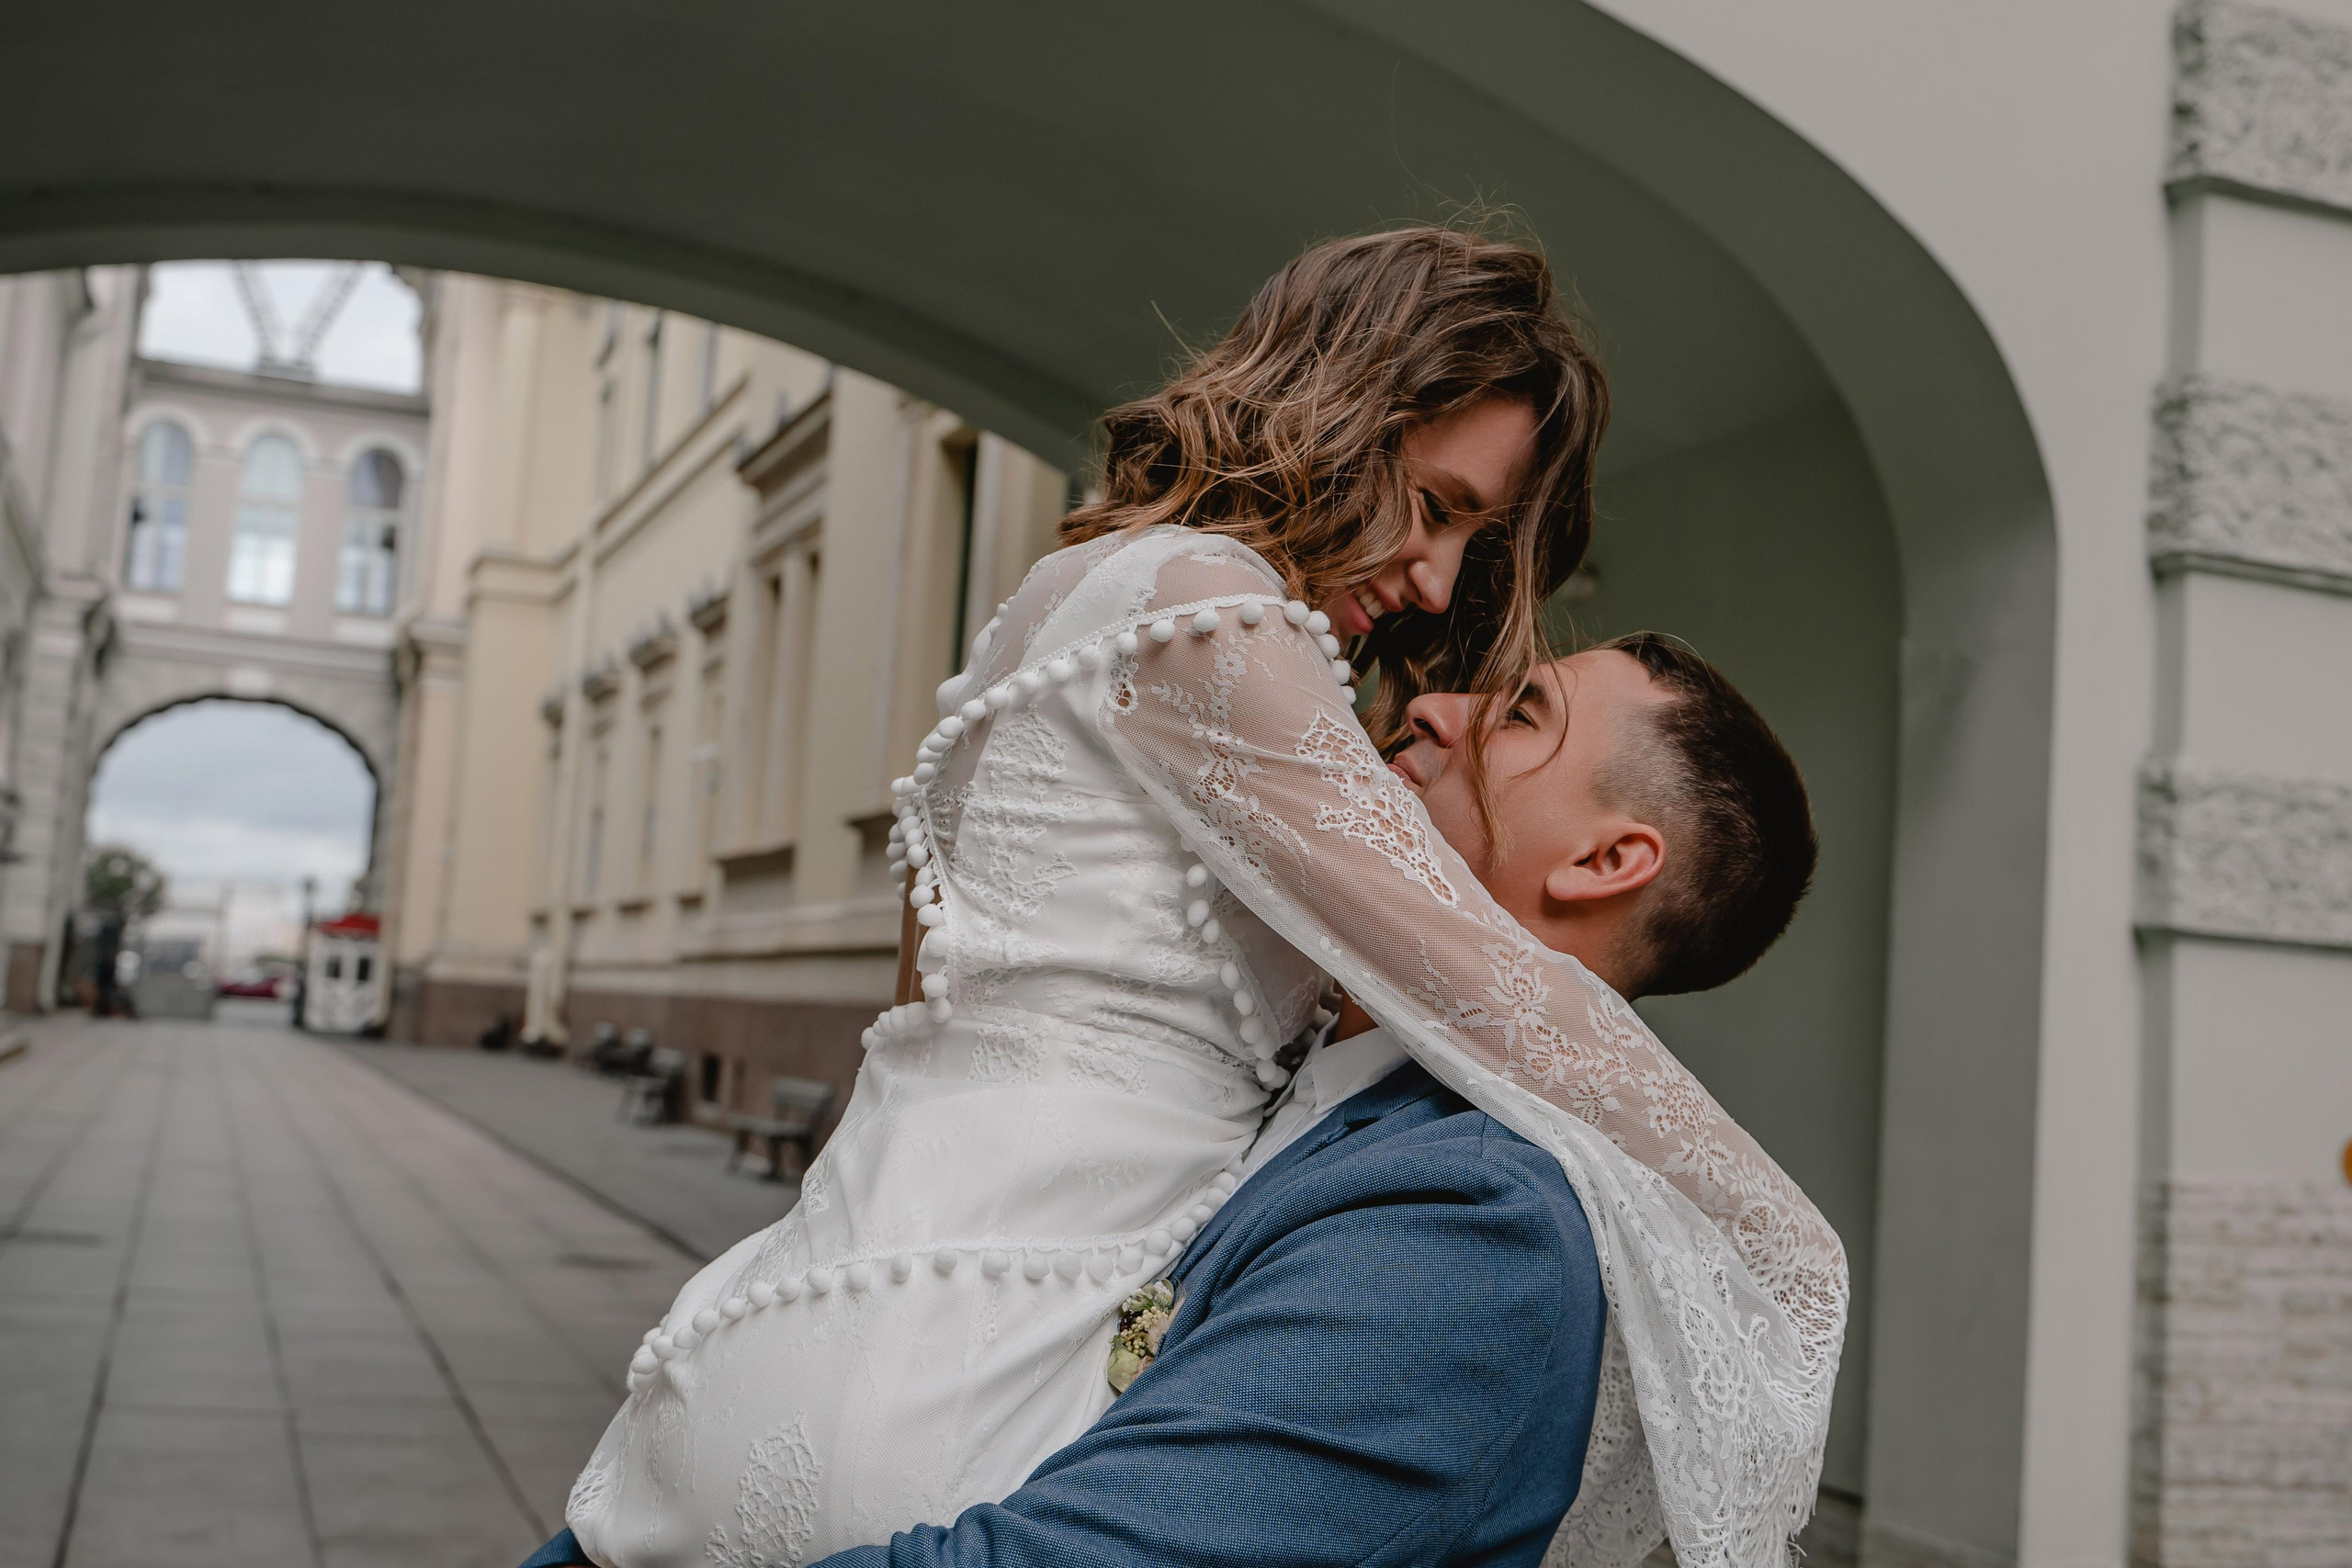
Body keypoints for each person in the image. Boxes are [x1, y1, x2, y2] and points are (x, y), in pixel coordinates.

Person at [555, 226, 1847, 1568]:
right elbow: (1489, 975)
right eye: (1440, 504)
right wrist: (1782, 1258)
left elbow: (917, 1018)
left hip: (808, 1316)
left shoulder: (1093, 610)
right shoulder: (1207, 611)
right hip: (956, 1382)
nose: (1438, 585)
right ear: (1343, 411)